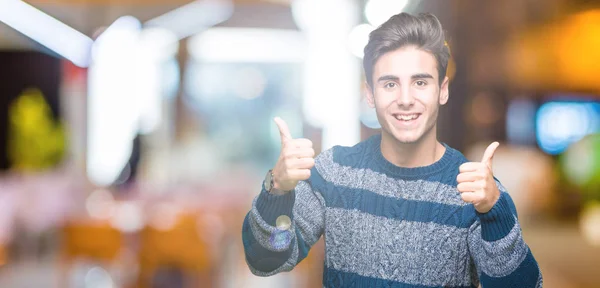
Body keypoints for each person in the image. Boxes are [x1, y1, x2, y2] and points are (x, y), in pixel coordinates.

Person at [242, 12, 542, 287]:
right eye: (389, 84)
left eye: (420, 82)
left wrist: (494, 212)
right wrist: (276, 192)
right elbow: (268, 259)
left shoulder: (475, 191)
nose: (406, 99)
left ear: (443, 90)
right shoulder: (334, 173)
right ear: (370, 94)